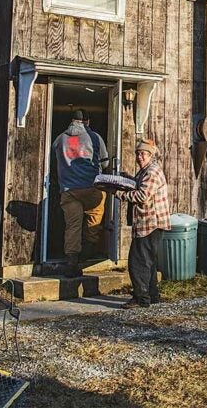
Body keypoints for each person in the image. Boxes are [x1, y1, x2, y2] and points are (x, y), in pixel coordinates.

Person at [115, 138, 170, 308]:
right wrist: (128, 179)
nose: (139, 156)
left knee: (137, 262)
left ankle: (141, 298)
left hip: (150, 222)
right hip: (149, 223)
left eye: (143, 154)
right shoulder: (145, 171)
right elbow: (141, 186)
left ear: (151, 156)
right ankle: (152, 296)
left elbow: (142, 196)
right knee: (148, 261)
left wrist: (120, 194)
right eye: (138, 153)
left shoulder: (151, 172)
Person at [52, 110, 107, 277]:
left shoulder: (60, 139)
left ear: (71, 121)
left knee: (72, 226)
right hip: (91, 188)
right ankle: (88, 250)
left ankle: (72, 262)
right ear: (87, 122)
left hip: (69, 190)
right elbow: (104, 164)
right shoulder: (95, 138)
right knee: (95, 215)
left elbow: (54, 158)